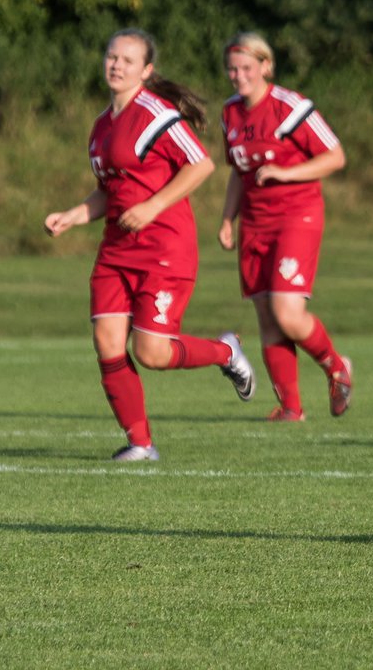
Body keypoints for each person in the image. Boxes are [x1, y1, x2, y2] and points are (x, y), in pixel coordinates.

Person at [44, 28, 257, 461]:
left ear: (146, 70)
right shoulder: (101, 127)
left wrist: (153, 207)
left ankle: (225, 351)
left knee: (152, 352)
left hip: (164, 247)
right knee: (107, 342)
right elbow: (108, 192)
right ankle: (140, 444)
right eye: (111, 56)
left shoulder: (156, 114)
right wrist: (72, 215)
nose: (116, 65)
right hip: (116, 250)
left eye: (127, 59)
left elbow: (201, 164)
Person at [217, 32, 351, 422]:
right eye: (232, 69)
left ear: (265, 66)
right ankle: (291, 408)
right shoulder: (230, 114)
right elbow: (237, 174)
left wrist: (285, 172)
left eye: (246, 67)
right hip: (255, 224)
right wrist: (228, 218)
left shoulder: (291, 107)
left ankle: (336, 368)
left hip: (297, 216)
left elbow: (335, 157)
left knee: (287, 311)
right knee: (266, 316)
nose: (238, 76)